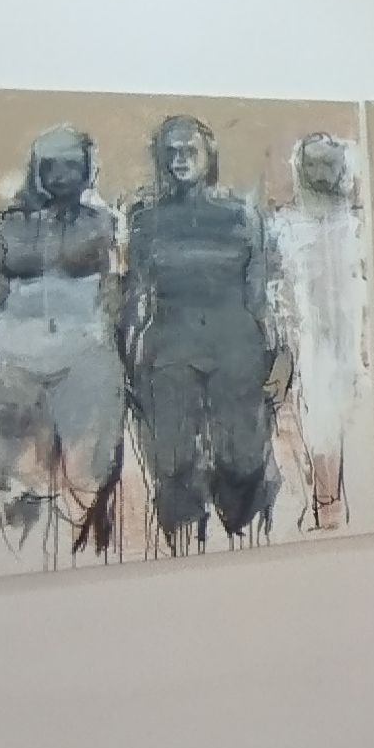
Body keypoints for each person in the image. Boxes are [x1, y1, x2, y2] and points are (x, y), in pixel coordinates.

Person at [122, 113, 283, 548]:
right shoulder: (145, 221)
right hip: (170, 350)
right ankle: (186, 553)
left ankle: (246, 540)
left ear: (208, 155)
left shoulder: (241, 216)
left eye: (187, 151)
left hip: (235, 348)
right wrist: (130, 359)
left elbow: (258, 295)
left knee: (242, 461)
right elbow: (136, 295)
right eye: (169, 153)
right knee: (173, 464)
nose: (178, 160)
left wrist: (277, 354)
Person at [0, 124, 125, 562]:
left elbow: (118, 292)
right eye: (50, 166)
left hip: (86, 361)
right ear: (35, 170)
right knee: (20, 479)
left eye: (71, 166)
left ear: (87, 171)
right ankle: (27, 566)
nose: (61, 176)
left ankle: (81, 566)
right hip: (12, 364)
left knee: (87, 475)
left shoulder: (107, 224)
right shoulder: (5, 227)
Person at [267, 130, 365, 530]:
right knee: (315, 426)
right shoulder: (283, 226)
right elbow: (275, 293)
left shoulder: (358, 225)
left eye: (329, 163)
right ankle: (326, 508)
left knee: (353, 429)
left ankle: (338, 509)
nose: (321, 173)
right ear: (299, 169)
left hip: (354, 346)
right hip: (306, 345)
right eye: (312, 164)